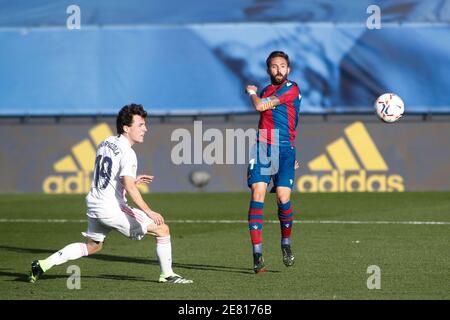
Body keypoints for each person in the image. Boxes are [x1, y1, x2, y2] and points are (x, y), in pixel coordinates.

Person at [29, 104, 193, 284]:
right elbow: (130, 188)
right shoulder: (128, 153)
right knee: (162, 229)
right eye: (140, 125)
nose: (145, 129)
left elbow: (109, 175)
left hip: (94, 203)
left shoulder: (105, 142)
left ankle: (43, 264)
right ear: (126, 128)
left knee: (93, 246)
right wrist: (149, 211)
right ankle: (168, 275)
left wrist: (131, 180)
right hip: (111, 208)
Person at [245, 51, 302, 273]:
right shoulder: (266, 90)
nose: (279, 70)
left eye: (283, 66)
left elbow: (260, 107)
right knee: (258, 193)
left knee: (282, 197)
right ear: (268, 70)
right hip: (262, 147)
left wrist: (251, 93)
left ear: (288, 69)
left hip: (285, 149)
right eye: (274, 66)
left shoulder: (292, 88)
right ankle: (257, 254)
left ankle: (286, 243)